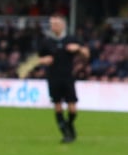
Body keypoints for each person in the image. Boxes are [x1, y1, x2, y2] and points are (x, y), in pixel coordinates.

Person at [36, 14, 89, 144]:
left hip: (68, 77)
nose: (54, 26)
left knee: (72, 108)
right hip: (53, 78)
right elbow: (37, 59)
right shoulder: (46, 41)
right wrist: (44, 60)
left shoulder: (71, 39)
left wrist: (79, 48)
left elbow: (87, 54)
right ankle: (66, 133)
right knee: (58, 105)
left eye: (56, 24)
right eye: (52, 24)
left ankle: (69, 124)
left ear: (63, 25)